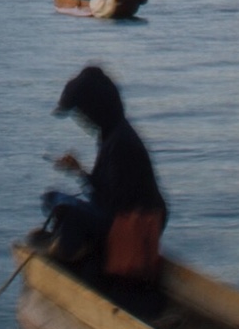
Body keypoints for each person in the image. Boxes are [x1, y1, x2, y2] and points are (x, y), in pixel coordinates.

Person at [41, 65, 168, 282]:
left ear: (94, 109)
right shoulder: (113, 134)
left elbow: (110, 204)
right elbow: (107, 193)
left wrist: (78, 200)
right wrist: (79, 171)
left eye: (81, 112)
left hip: (131, 227)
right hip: (119, 217)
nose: (81, 120)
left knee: (62, 207)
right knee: (55, 200)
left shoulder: (120, 144)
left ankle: (73, 252)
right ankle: (73, 245)